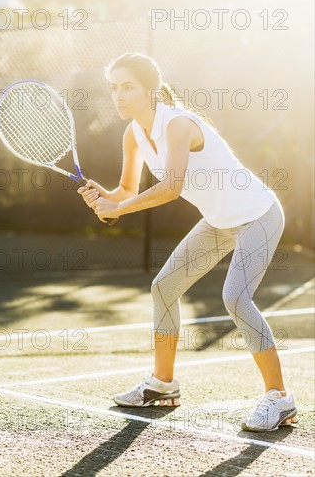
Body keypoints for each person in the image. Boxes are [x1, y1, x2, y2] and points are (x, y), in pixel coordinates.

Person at [77, 52, 298, 432]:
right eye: (114, 88)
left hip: (258, 215)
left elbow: (171, 187)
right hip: (218, 221)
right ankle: (162, 384)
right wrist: (106, 198)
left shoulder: (177, 124)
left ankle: (279, 398)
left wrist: (120, 208)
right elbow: (127, 189)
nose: (119, 95)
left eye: (127, 86)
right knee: (164, 287)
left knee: (235, 297)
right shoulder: (133, 134)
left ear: (151, 89)